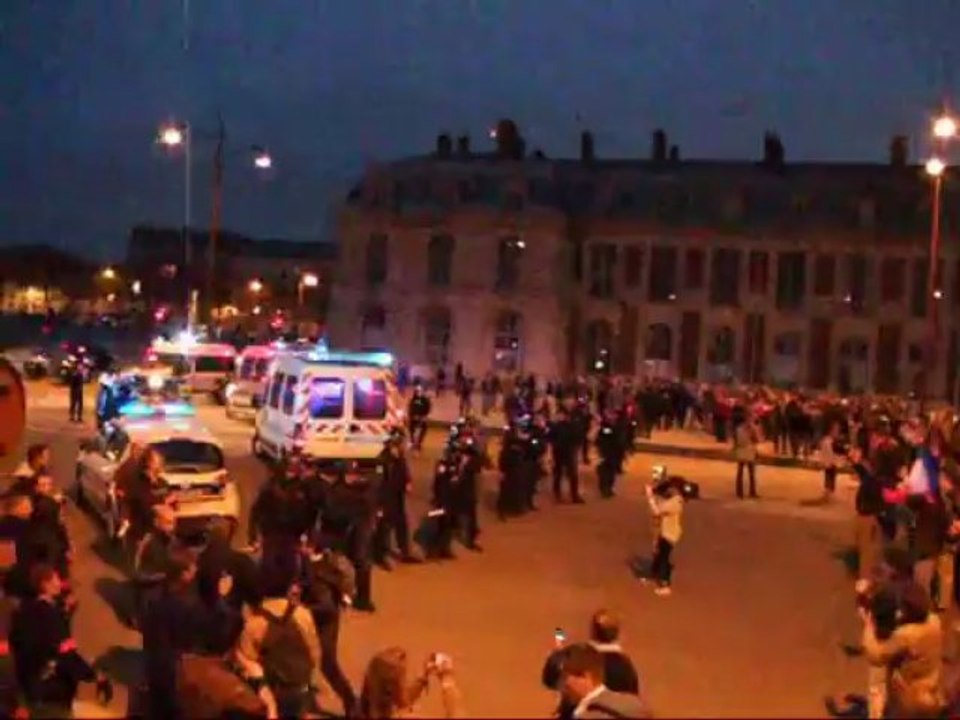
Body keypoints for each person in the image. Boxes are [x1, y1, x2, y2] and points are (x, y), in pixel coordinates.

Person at [140, 547, 238, 720]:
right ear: (183, 574)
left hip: (157, 675)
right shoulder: (184, 607)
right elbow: (215, 636)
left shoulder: (155, 598)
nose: (197, 570)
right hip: (178, 680)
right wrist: (221, 598)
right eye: (193, 567)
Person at [10, 564, 112, 718]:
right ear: (45, 584)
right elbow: (65, 653)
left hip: (34, 693)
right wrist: (94, 675)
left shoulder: (25, 613)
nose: (59, 583)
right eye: (56, 579)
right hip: (54, 693)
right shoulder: (50, 615)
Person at [235, 554, 323, 719]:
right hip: (300, 689)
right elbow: (314, 653)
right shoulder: (304, 615)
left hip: (270, 695)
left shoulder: (255, 623)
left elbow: (247, 665)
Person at [861, 582, 944, 718]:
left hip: (910, 693)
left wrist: (868, 625)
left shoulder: (906, 634)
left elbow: (876, 654)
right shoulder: (934, 620)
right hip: (931, 684)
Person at [359, 646, 461, 718]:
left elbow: (402, 699)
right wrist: (447, 680)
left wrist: (423, 675)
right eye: (403, 680)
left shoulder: (360, 709)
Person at [557, 643, 650, 719]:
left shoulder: (588, 716)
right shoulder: (634, 704)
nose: (563, 686)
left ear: (585, 676)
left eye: (565, 677)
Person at [374, 434, 420, 568]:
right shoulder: (382, 461)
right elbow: (378, 484)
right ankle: (380, 556)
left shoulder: (399, 459)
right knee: (384, 529)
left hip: (397, 497)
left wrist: (407, 482)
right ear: (391, 446)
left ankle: (404, 551)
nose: (402, 448)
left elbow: (404, 472)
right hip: (385, 500)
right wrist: (379, 505)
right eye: (399, 446)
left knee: (401, 525)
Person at [850, 447, 886, 581]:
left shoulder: (873, 481)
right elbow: (860, 468)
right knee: (865, 548)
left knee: (866, 550)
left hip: (867, 517)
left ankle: (865, 579)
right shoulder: (871, 478)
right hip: (865, 516)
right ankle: (867, 576)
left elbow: (878, 500)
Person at [645, 477, 684, 596]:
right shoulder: (674, 499)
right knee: (658, 554)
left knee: (664, 558)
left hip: (669, 534)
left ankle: (666, 584)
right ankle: (653, 575)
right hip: (666, 532)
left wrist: (650, 497)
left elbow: (657, 511)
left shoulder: (675, 502)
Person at [550, 408, 582, 503]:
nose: (558, 417)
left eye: (560, 415)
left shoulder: (573, 426)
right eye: (558, 415)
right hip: (558, 452)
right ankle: (557, 494)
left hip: (569, 451)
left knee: (572, 474)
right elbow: (551, 438)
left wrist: (575, 448)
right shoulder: (555, 426)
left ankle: (574, 495)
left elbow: (578, 438)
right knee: (558, 473)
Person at [819, 422, 843, 502]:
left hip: (831, 462)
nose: (837, 433)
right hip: (829, 462)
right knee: (829, 476)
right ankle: (828, 491)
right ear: (830, 431)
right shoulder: (827, 441)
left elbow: (834, 452)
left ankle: (829, 491)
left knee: (831, 476)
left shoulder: (831, 441)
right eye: (836, 431)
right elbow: (826, 453)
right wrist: (825, 461)